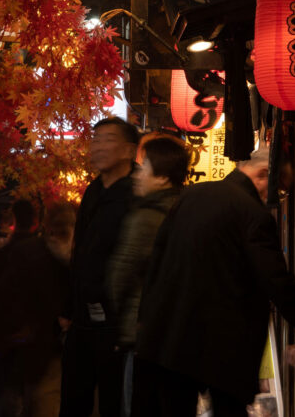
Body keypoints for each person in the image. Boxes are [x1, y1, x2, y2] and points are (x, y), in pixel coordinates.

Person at [135, 146, 295, 416]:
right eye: (281, 191)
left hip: (169, 342)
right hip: (221, 352)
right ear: (263, 175)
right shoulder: (253, 214)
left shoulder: (191, 196)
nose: (277, 199)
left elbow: (156, 262)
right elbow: (278, 284)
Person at [60, 117, 139, 417]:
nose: (98, 147)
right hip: (82, 319)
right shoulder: (93, 191)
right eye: (96, 140)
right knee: (72, 401)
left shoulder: (137, 193)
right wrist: (68, 308)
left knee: (114, 403)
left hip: (117, 324)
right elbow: (79, 254)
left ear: (129, 151)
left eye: (107, 139)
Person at [107, 135, 187, 416]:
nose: (137, 175)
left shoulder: (146, 217)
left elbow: (120, 275)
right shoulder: (187, 213)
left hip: (144, 337)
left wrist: (117, 322)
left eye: (144, 168)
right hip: (181, 341)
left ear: (163, 177)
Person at [0, 199, 69, 417]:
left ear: (13, 221)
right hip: (42, 351)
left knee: (6, 405)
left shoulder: (2, 255)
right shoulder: (52, 257)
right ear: (37, 223)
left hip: (7, 348)